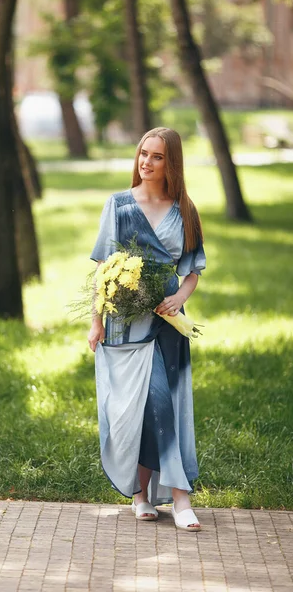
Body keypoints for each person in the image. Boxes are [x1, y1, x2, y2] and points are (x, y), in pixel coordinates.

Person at [88, 127, 205, 531]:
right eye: (143, 154)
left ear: (171, 162)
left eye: (156, 156)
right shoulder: (118, 205)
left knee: (161, 401)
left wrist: (179, 297)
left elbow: (191, 271)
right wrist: (96, 320)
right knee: (136, 406)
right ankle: (141, 494)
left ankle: (179, 497)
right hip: (125, 321)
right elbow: (103, 269)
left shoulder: (185, 209)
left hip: (167, 321)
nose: (146, 162)